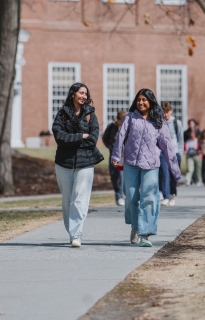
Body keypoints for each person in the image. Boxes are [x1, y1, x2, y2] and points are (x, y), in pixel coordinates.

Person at [111, 89, 182, 247]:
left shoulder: (159, 120)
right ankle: (135, 226)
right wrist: (116, 156)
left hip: (151, 165)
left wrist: (175, 170)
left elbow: (168, 146)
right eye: (139, 100)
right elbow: (120, 136)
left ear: (151, 101)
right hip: (131, 163)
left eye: (144, 100)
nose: (141, 102)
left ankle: (145, 234)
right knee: (130, 198)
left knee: (149, 198)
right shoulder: (130, 117)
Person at [52, 83, 104, 248]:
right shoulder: (62, 114)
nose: (83, 96)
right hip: (63, 163)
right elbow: (59, 137)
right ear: (73, 93)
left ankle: (76, 235)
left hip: (85, 162)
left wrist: (73, 139)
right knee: (68, 200)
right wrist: (80, 136)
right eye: (81, 93)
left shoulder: (90, 114)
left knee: (80, 199)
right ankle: (71, 232)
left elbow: (93, 139)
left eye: (85, 94)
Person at [159, 102, 184, 206]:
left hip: (175, 153)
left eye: (167, 112)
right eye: (163, 112)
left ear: (171, 111)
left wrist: (180, 153)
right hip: (162, 153)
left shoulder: (176, 123)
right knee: (164, 174)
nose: (165, 115)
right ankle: (165, 196)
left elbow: (180, 138)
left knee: (173, 176)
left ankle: (172, 194)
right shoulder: (159, 123)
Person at [102, 110, 126, 206]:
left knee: (121, 175)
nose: (122, 123)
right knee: (113, 176)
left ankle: (121, 196)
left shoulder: (128, 128)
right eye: (121, 121)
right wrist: (110, 146)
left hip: (122, 156)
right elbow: (105, 138)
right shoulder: (112, 127)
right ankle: (118, 194)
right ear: (118, 119)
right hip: (113, 155)